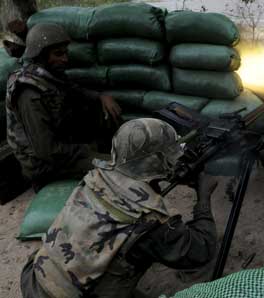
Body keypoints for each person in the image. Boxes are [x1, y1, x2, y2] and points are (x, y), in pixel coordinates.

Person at [20, 118, 218, 298]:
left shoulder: (95, 177)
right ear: (157, 160)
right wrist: (204, 197)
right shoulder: (150, 219)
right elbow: (202, 251)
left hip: (34, 278)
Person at [5, 22, 122, 191]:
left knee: (103, 112)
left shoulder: (48, 75)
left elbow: (73, 90)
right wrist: (89, 150)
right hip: (45, 165)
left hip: (62, 145)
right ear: (41, 55)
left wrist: (101, 97)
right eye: (58, 54)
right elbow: (47, 151)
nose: (65, 58)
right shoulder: (29, 94)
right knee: (116, 167)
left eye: (65, 52)